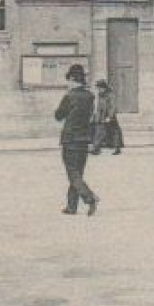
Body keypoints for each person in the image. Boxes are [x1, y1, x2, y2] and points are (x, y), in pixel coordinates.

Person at [53, 64, 99, 215]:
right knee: (78, 172)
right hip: (84, 139)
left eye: (69, 80)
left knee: (72, 172)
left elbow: (58, 115)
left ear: (72, 79)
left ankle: (89, 197)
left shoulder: (70, 96)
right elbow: (92, 118)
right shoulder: (90, 96)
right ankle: (72, 206)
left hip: (70, 139)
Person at [90, 79, 124, 156]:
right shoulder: (100, 95)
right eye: (98, 88)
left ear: (104, 88)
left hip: (109, 116)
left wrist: (110, 116)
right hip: (100, 116)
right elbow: (98, 106)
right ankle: (96, 148)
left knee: (114, 133)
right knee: (99, 132)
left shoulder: (110, 95)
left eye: (100, 88)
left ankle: (117, 148)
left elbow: (113, 106)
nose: (99, 90)